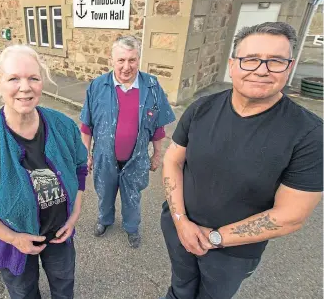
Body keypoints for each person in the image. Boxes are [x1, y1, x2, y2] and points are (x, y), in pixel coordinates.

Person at [160, 22, 323, 299]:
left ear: (290, 66)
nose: (262, 69)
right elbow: (173, 161)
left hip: (234, 252)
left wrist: (215, 238)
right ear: (233, 64)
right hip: (179, 227)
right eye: (251, 59)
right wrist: (180, 221)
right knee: (180, 287)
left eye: (275, 61)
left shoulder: (309, 134)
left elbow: (291, 216)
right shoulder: (201, 108)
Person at [0, 45, 88, 299]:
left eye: (33, 78)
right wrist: (13, 238)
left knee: (64, 283)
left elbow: (79, 167)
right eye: (14, 78)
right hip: (12, 243)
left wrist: (74, 213)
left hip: (59, 233)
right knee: (23, 292)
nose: (25, 87)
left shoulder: (63, 125)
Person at [80, 36, 175, 248]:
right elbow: (87, 125)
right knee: (104, 191)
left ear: (138, 59)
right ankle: (104, 220)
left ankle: (132, 228)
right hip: (104, 156)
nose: (126, 66)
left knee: (132, 196)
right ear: (112, 60)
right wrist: (85, 154)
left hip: (137, 157)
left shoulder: (151, 86)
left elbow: (158, 125)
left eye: (132, 60)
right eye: (121, 60)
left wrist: (157, 154)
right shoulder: (97, 86)